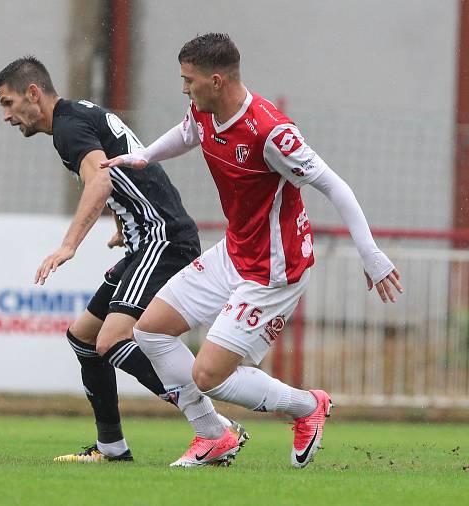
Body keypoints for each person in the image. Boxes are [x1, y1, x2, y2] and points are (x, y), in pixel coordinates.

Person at [101, 33, 404, 468]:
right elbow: (190, 132)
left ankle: (306, 406)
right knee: (150, 330)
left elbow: (334, 185)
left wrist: (371, 254)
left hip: (275, 269)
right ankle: (213, 436)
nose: (184, 88)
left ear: (217, 81)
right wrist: (145, 156)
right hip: (235, 250)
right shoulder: (204, 110)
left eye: (189, 80)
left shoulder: (270, 131)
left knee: (207, 375)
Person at [0, 56, 248, 464]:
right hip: (146, 237)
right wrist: (125, 220)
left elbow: (102, 180)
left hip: (162, 240)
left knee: (111, 340)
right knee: (84, 338)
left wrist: (69, 244)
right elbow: (122, 171)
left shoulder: (68, 127)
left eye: (8, 103)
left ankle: (215, 427)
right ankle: (111, 448)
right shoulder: (78, 116)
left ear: (33, 94)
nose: (5, 115)